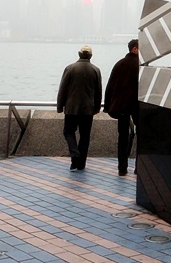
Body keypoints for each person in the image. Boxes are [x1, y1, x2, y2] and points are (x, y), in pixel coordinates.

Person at [57, 44, 102, 171]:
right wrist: (97, 107)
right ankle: (81, 164)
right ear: (91, 56)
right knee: (85, 136)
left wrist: (60, 106)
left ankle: (74, 153)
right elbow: (98, 91)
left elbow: (63, 89)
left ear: (79, 54)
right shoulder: (96, 70)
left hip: (71, 108)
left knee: (68, 131)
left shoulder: (70, 68)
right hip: (88, 109)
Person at [103, 39, 139, 176]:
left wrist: (107, 106)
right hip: (137, 107)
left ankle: (122, 168)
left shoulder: (119, 64)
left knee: (122, 137)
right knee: (141, 137)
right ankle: (138, 167)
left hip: (121, 107)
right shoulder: (140, 65)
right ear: (134, 49)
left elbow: (110, 86)